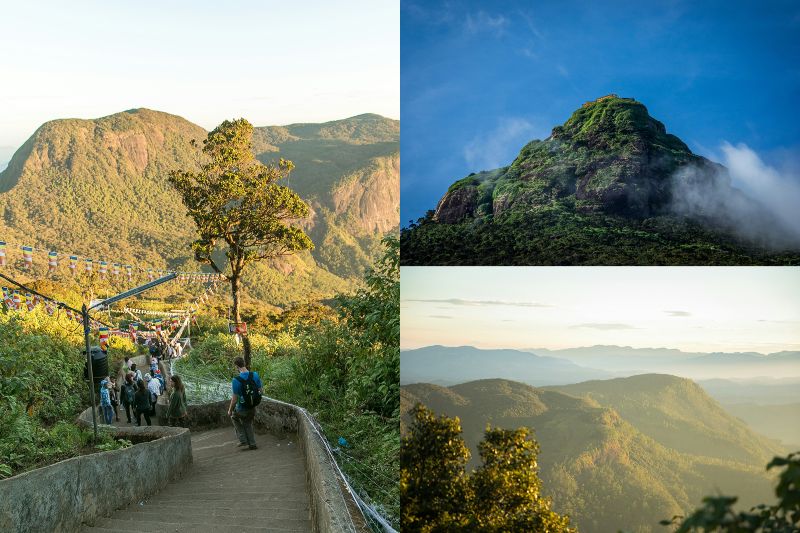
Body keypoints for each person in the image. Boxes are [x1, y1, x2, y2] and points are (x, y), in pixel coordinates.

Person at [227, 357, 263, 450]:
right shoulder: (255, 375)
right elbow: (261, 391)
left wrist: (230, 410)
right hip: (252, 406)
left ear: (236, 366)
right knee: (247, 422)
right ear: (244, 363)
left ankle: (243, 440)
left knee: (234, 417)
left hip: (242, 408)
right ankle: (252, 443)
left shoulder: (236, 380)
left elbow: (234, 400)